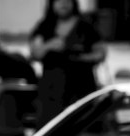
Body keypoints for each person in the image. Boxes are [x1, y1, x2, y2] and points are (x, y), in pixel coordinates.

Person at [30, 0, 106, 128]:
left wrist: (80, 58)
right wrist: (49, 46)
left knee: (80, 127)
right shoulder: (45, 25)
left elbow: (100, 53)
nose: (63, 4)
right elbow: (35, 53)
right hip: (51, 89)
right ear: (52, 4)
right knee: (49, 128)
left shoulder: (85, 26)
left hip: (81, 86)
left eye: (67, 1)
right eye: (59, 1)